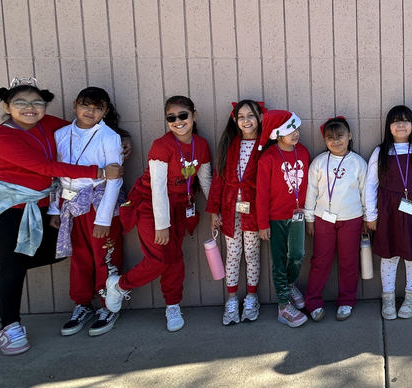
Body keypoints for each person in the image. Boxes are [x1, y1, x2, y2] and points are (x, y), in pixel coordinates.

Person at [0, 78, 121, 355]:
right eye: (21, 103)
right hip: (5, 207)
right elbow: (47, 167)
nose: (29, 108)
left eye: (36, 103)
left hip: (41, 204)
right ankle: (9, 327)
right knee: (13, 264)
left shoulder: (48, 125)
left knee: (57, 252)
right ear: (7, 106)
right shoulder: (2, 138)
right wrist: (99, 172)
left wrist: (122, 141)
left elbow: (86, 131)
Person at [105, 95, 212, 332]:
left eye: (183, 115)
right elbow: (158, 188)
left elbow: (206, 181)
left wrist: (216, 211)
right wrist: (161, 225)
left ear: (194, 115)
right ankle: (120, 286)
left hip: (180, 207)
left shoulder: (201, 145)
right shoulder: (161, 146)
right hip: (150, 205)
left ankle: (172, 305)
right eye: (171, 117)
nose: (178, 121)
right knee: (160, 258)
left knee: (174, 259)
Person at [53, 86, 126, 337]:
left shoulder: (109, 137)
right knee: (80, 257)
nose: (90, 112)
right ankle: (82, 303)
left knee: (105, 257)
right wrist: (55, 209)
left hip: (99, 204)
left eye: (97, 108)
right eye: (85, 106)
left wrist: (104, 218)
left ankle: (109, 305)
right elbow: (56, 174)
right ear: (75, 104)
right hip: (71, 205)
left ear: (105, 110)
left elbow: (114, 179)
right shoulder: (61, 134)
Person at [364, 105, 412, 320]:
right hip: (388, 211)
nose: (400, 125)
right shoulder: (381, 152)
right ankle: (387, 297)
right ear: (388, 127)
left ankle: (411, 297)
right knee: (389, 255)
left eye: (405, 120)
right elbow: (370, 184)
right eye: (395, 121)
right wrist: (371, 214)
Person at [303, 116, 368, 321]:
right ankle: (313, 301)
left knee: (349, 262)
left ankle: (346, 301)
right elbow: (311, 192)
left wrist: (368, 217)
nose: (335, 141)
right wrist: (309, 218)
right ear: (324, 140)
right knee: (320, 261)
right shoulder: (319, 162)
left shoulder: (358, 162)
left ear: (349, 135)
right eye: (330, 137)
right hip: (323, 220)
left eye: (340, 136)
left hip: (352, 219)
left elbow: (366, 192)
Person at [207, 100, 264, 325]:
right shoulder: (231, 145)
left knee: (251, 254)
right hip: (230, 209)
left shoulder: (264, 145)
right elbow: (218, 180)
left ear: (260, 117)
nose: (246, 120)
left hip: (254, 210)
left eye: (251, 115)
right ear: (234, 120)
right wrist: (214, 211)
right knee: (232, 254)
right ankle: (231, 299)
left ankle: (251, 297)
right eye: (241, 116)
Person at [255, 110, 311, 328]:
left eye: (296, 128)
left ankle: (289, 284)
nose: (295, 134)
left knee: (297, 254)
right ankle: (282, 305)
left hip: (298, 215)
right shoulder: (268, 158)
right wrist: (262, 224)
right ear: (277, 135)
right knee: (279, 260)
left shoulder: (304, 152)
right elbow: (261, 194)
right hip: (275, 219)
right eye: (290, 131)